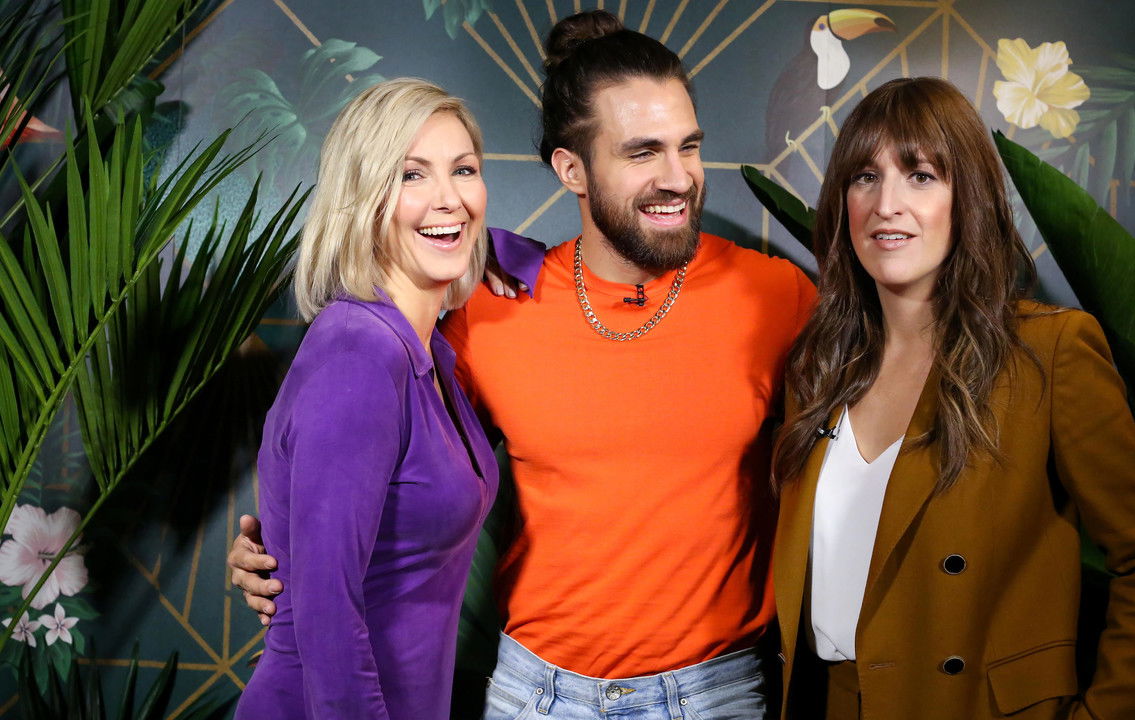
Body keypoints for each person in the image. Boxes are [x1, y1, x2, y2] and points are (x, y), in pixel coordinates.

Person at [229, 11, 816, 720]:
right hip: (534, 696)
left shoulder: (776, 296)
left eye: (688, 146)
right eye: (642, 153)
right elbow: (364, 454)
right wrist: (282, 554)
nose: (678, 177)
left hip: (713, 695)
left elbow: (864, 460)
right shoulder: (485, 311)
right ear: (571, 169)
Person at [770, 76, 1135, 719]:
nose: (886, 204)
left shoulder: (1048, 352)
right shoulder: (818, 367)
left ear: (966, 198)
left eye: (920, 176)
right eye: (865, 177)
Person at [234, 78, 498, 720]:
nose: (449, 198)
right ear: (362, 199)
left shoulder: (427, 352)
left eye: (464, 169)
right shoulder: (359, 356)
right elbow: (326, 617)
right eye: (411, 174)